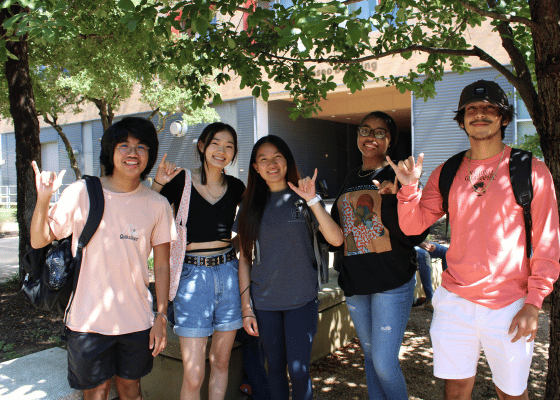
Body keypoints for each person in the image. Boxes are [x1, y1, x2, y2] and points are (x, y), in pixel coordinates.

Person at [388, 80, 560, 400]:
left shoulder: (531, 170)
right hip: (455, 301)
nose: (479, 114)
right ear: (463, 119)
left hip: (509, 303)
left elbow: (547, 243)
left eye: (488, 108)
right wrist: (409, 190)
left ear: (504, 118)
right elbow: (413, 228)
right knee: (455, 391)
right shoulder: (448, 171)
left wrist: (534, 303)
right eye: (471, 109)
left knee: (511, 393)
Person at [30, 117, 176, 400]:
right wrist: (43, 198)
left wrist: (161, 315)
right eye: (124, 145)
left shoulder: (157, 204)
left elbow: (161, 264)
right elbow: (39, 239)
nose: (132, 153)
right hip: (87, 321)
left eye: (141, 146)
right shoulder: (82, 192)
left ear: (150, 154)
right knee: (95, 393)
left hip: (137, 320)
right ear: (110, 151)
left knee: (130, 390)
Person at [235, 135, 344, 400]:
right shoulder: (249, 206)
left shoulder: (303, 199)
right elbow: (244, 260)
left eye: (277, 157)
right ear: (255, 168)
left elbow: (337, 239)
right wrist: (246, 308)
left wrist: (313, 199)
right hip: (265, 303)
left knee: (298, 370)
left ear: (287, 161)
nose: (271, 164)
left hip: (301, 299)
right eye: (263, 159)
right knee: (275, 369)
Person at [329, 111, 429, 400]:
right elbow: (341, 230)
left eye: (380, 132)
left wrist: (403, 196)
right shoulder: (350, 176)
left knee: (385, 364)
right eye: (365, 130)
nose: (371, 137)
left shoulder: (398, 175)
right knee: (371, 359)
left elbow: (416, 234)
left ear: (390, 141)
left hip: (391, 281)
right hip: (356, 283)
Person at [151, 122, 245, 400]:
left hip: (228, 275)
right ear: (202, 146)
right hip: (192, 277)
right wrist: (158, 182)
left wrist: (233, 250)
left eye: (229, 146)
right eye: (215, 143)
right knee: (194, 374)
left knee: (221, 363)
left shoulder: (238, 186)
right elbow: (148, 211)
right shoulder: (181, 180)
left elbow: (252, 225)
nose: (222, 151)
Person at [414, 239, 448, 311]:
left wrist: (427, 243)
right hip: (405, 244)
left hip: (417, 241)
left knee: (446, 252)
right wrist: (420, 243)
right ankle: (429, 300)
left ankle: (448, 295)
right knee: (424, 254)